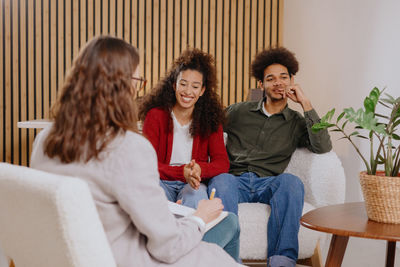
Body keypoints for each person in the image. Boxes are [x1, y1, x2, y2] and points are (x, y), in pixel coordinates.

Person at [30, 36, 241, 266]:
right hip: (136, 258)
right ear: (124, 85)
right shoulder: (129, 147)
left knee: (228, 223)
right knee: (228, 227)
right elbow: (169, 248)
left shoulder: (44, 141)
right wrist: (200, 217)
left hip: (81, 255)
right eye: (138, 80)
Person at [208, 47, 332, 267]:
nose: (278, 83)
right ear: (261, 85)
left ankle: (282, 261)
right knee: (221, 180)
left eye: (284, 77)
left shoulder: (295, 121)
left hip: (269, 182)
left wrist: (306, 104)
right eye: (271, 79)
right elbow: (207, 127)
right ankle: (224, 260)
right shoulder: (239, 111)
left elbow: (322, 146)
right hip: (234, 179)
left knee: (291, 182)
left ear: (292, 80)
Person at [139, 48, 229, 209]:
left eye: (195, 87)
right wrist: (182, 173)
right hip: (160, 180)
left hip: (193, 183)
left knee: (197, 199)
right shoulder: (156, 116)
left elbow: (222, 162)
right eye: (183, 84)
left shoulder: (210, 120)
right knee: (151, 202)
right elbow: (146, 163)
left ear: (202, 91)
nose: (188, 92)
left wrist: (199, 169)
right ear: (174, 85)